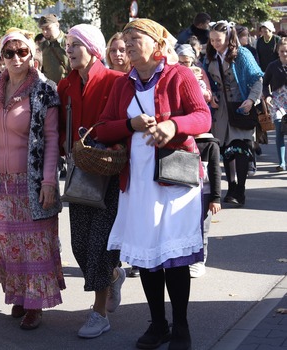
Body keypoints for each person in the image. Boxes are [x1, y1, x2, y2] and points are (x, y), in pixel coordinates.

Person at [95, 19, 211, 350]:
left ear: (158, 42)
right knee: (146, 256)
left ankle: (182, 327)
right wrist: (129, 124)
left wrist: (173, 126)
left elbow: (202, 116)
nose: (128, 43)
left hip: (174, 180)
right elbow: (102, 129)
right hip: (138, 183)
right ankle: (158, 324)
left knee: (173, 259)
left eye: (136, 37)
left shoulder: (179, 75)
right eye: (125, 38)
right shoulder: (122, 84)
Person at [0, 30, 65, 331]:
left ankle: (35, 304)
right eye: (9, 53)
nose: (16, 58)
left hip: (33, 183)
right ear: (1, 57)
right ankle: (20, 296)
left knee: (35, 245)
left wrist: (49, 182)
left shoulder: (44, 90)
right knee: (7, 244)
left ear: (32, 55)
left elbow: (51, 139)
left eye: (22, 52)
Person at [57, 24, 126, 339]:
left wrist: (111, 146)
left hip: (110, 174)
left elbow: (127, 125)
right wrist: (65, 147)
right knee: (80, 245)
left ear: (93, 49)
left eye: (75, 44)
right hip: (78, 172)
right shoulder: (65, 85)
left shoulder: (116, 81)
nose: (69, 50)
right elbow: (60, 128)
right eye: (68, 44)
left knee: (99, 244)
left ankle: (99, 313)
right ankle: (113, 275)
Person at [204, 21, 263, 206]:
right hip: (221, 109)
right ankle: (231, 187)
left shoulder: (242, 54)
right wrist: (210, 94)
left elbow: (257, 79)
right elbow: (207, 80)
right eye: (212, 40)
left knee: (241, 148)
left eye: (218, 39)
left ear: (228, 37)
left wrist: (251, 100)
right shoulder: (210, 56)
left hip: (241, 105)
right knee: (226, 150)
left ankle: (240, 190)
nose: (215, 43)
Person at [192, 132, 221, 278]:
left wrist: (215, 198)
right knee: (187, 228)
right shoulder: (181, 140)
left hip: (205, 194)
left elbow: (216, 171)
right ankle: (189, 259)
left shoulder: (210, 144)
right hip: (185, 195)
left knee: (202, 228)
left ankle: (199, 261)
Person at [262, 37, 287, 172]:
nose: (285, 54)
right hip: (278, 101)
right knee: (280, 130)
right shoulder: (273, 65)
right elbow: (265, 84)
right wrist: (267, 96)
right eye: (282, 51)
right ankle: (282, 162)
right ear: (278, 51)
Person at [38, 14, 70, 84]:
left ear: (57, 25)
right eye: (42, 29)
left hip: (68, 89)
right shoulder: (42, 46)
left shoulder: (69, 42)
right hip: (49, 90)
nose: (44, 32)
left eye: (48, 28)